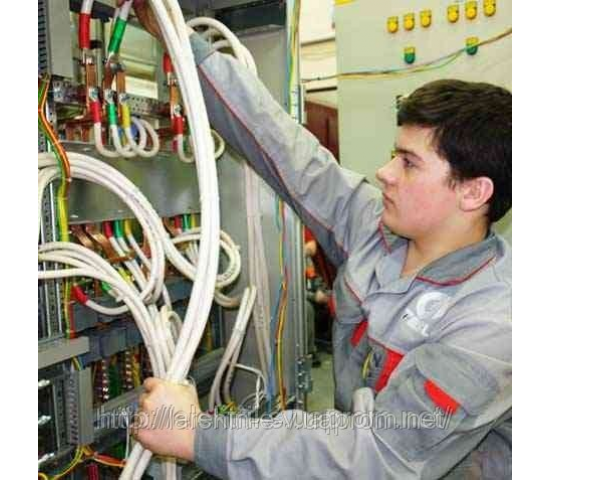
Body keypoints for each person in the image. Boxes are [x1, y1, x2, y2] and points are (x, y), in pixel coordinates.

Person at [127, 2, 512, 478]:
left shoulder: (492, 325)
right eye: (394, 155)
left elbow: (379, 455)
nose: (385, 172)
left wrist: (198, 436)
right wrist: (183, 44)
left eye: (409, 163)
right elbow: (285, 148)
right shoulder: (378, 230)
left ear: (473, 192)